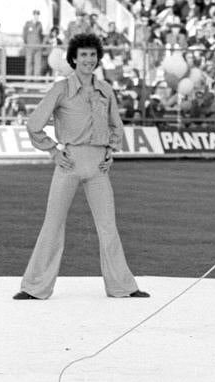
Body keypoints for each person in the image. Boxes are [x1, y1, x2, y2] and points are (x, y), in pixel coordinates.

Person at [13, 34, 149, 300]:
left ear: (98, 58)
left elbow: (115, 125)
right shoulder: (61, 88)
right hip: (69, 162)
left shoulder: (105, 90)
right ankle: (34, 288)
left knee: (108, 226)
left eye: (92, 55)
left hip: (98, 167)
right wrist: (53, 151)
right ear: (73, 58)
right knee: (53, 224)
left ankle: (123, 287)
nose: (88, 60)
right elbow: (34, 124)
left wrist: (111, 150)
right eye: (83, 55)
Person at [23, 10, 44, 77]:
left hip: (38, 47)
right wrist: (27, 43)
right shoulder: (28, 23)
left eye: (38, 15)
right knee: (29, 62)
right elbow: (24, 35)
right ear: (33, 15)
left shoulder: (40, 24)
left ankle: (36, 79)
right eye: (35, 15)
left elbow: (41, 35)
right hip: (30, 46)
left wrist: (40, 44)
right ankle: (28, 78)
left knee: (37, 63)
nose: (36, 16)